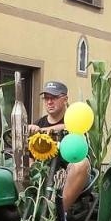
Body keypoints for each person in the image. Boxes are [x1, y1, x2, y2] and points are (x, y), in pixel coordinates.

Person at [34, 81, 91, 211]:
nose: (49, 102)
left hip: (69, 173)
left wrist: (49, 129)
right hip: (45, 173)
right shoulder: (39, 123)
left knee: (81, 163)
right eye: (46, 98)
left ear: (65, 99)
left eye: (53, 98)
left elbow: (69, 127)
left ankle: (56, 214)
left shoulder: (74, 120)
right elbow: (31, 155)